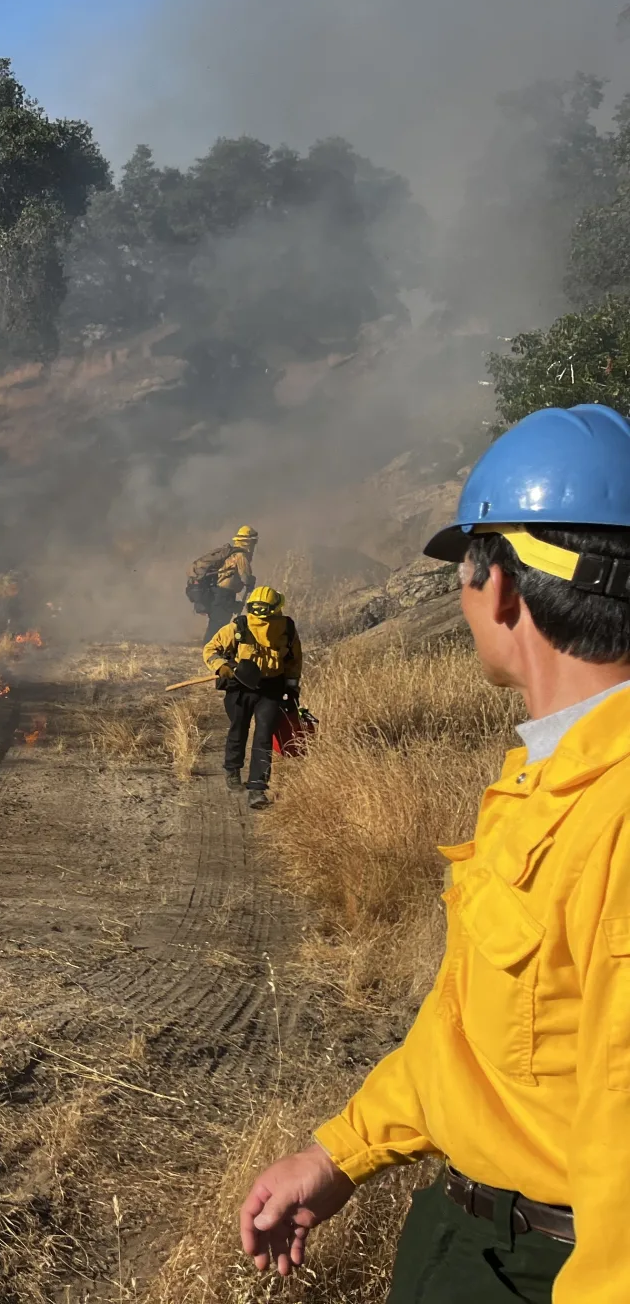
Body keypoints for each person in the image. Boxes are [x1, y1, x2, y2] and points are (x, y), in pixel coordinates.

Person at [238, 402, 630, 1302]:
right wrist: (338, 1153)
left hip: (553, 1269)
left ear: (499, 589)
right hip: (470, 1241)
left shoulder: (617, 815)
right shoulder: (549, 778)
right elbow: (473, 1032)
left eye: (462, 572)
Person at [204, 583, 301, 809]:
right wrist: (221, 667)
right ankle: (232, 769)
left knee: (264, 734)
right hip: (240, 687)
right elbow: (210, 649)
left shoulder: (286, 627)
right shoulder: (238, 626)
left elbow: (294, 661)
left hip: (271, 688)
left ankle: (257, 789)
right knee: (239, 727)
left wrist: (292, 689)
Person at [187, 526, 259, 639]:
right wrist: (251, 581)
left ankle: (212, 646)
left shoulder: (231, 553)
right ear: (248, 541)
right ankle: (210, 648)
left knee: (218, 622)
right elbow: (246, 577)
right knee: (218, 624)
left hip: (219, 592)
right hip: (224, 594)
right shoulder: (241, 555)